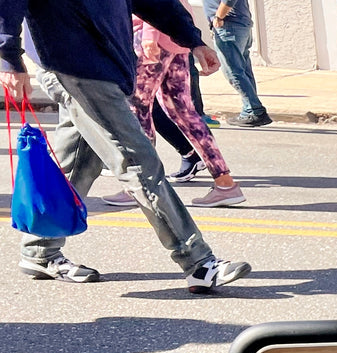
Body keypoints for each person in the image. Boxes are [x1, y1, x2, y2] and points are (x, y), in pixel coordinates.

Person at [0, 0, 249, 291]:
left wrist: (193, 41)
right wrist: (9, 58)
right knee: (139, 163)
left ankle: (40, 250)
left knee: (79, 164)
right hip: (73, 66)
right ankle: (197, 262)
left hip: (107, 66)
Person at [122, 16, 243, 208]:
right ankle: (225, 184)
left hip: (153, 35)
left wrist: (149, 35)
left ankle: (142, 185)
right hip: (175, 40)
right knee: (184, 112)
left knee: (139, 108)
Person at [203, 0, 270, 126]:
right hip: (237, 25)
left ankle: (255, 111)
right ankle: (249, 110)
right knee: (243, 70)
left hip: (229, 26)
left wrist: (219, 16)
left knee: (233, 72)